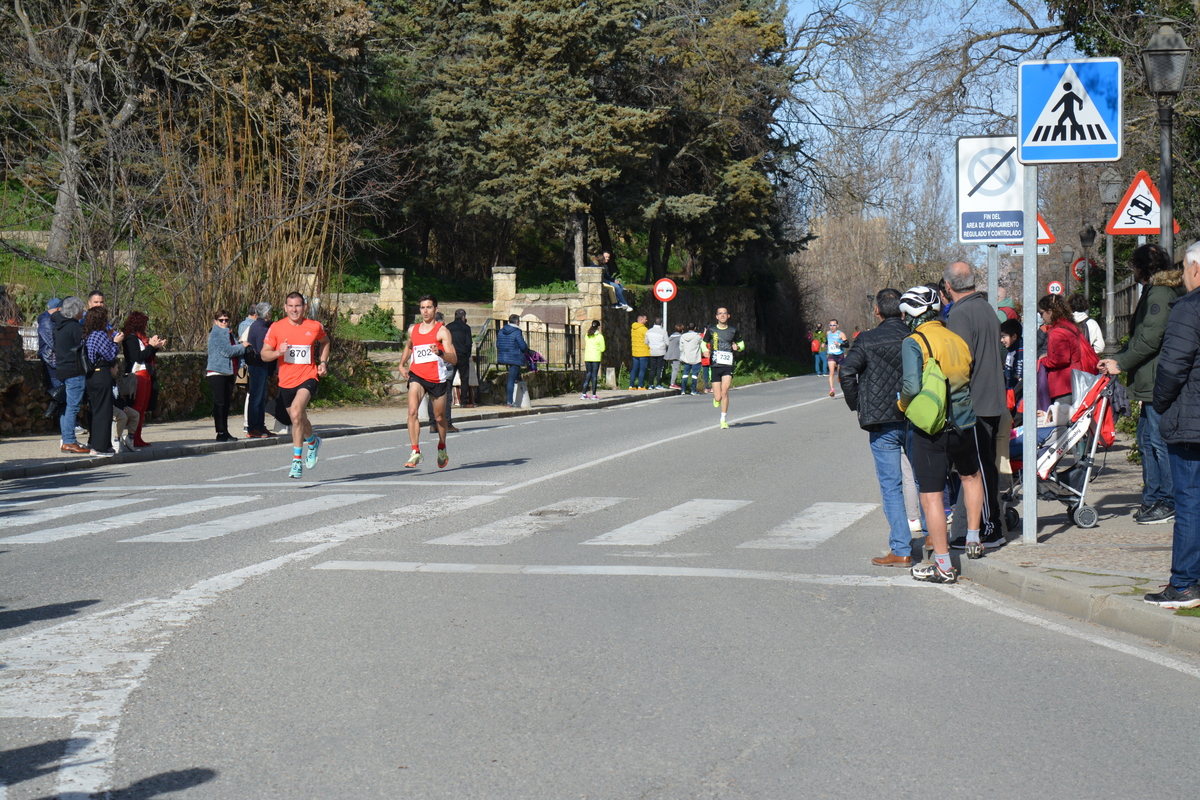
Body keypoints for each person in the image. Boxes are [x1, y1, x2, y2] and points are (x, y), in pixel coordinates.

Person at [897, 286, 984, 582]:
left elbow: (910, 386)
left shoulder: (914, 341)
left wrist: (903, 405)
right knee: (970, 476)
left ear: (911, 313)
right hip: (964, 421)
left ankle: (944, 565)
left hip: (932, 426)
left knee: (931, 496)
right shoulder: (956, 338)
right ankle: (973, 538)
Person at [1099, 243, 1184, 525]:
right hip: (1151, 379)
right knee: (1148, 438)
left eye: (1134, 267)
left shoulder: (1159, 293)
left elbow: (1150, 337)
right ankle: (1154, 497)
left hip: (1157, 379)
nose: (1132, 272)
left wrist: (1120, 362)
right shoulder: (1157, 290)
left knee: (1158, 442)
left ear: (1142, 268)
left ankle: (1166, 501)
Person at [840, 288, 915, 567]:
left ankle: (901, 548)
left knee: (891, 485)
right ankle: (932, 538)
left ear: (877, 311)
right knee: (922, 479)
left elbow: (846, 371)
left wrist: (858, 403)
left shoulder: (867, 339)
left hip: (881, 421)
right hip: (916, 417)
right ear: (904, 310)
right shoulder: (914, 337)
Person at [1146, 241, 1200, 608]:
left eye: (1184, 268)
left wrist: (1162, 403)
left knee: (1190, 501)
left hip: (1193, 422)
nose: (1182, 275)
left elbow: (1172, 366)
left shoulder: (1188, 308)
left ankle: (1184, 583)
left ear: (1195, 269)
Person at [943, 260, 1007, 552]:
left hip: (975, 403)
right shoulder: (986, 308)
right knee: (986, 467)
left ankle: (989, 529)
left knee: (977, 471)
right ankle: (986, 526)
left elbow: (959, 364)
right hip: (992, 399)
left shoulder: (960, 314)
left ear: (948, 286)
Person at [260, 292, 330, 479]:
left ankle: (296, 461)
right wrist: (278, 352)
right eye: (290, 306)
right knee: (298, 418)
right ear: (285, 307)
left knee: (297, 413)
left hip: (308, 377)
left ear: (304, 307)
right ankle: (313, 442)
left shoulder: (314, 326)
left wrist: (323, 363)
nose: (294, 310)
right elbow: (264, 354)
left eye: (298, 306)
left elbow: (325, 342)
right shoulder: (276, 327)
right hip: (286, 382)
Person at [398, 295, 457, 468]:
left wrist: (440, 353)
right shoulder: (413, 330)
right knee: (412, 411)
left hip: (437, 378)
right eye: (422, 307)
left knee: (439, 417)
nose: (425, 311)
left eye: (429, 307)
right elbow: (409, 346)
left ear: (435, 310)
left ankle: (441, 445)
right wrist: (401, 365)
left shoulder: (442, 331)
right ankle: (415, 451)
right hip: (417, 375)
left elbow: (453, 358)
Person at [82, 306, 123, 456]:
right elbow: (109, 354)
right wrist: (115, 342)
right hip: (101, 373)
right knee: (104, 411)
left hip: (91, 376)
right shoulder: (99, 335)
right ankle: (101, 447)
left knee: (95, 410)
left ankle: (97, 443)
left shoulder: (89, 335)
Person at [121, 311, 164, 447]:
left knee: (143, 407)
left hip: (146, 374)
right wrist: (151, 346)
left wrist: (154, 347)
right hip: (137, 375)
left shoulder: (140, 338)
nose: (145, 326)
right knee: (137, 407)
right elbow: (137, 357)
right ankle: (132, 436)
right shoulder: (131, 339)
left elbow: (146, 355)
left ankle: (137, 437)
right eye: (144, 323)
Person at [53, 297, 89, 454]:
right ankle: (69, 441)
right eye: (81, 309)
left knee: (66, 406)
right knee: (73, 407)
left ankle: (66, 439)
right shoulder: (74, 327)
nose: (83, 312)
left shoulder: (59, 326)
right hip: (74, 370)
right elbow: (84, 348)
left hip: (61, 368)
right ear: (76, 311)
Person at [1037, 294, 1088, 405]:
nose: (1041, 317)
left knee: (1061, 419)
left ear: (1050, 311)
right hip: (1074, 379)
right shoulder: (1069, 326)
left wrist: (1044, 359)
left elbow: (1061, 359)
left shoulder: (1058, 332)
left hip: (1063, 385)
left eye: (1042, 313)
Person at [206, 309, 246, 443]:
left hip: (229, 371)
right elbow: (227, 351)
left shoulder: (229, 333)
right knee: (220, 403)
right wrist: (243, 346)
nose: (224, 322)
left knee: (226, 403)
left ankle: (225, 431)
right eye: (221, 320)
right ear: (215, 321)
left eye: (226, 320)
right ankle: (220, 432)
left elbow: (234, 350)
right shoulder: (216, 334)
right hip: (217, 371)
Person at [703, 307, 744, 429]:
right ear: (716, 317)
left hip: (728, 364)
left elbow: (741, 344)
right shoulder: (711, 330)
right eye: (720, 314)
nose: (722, 316)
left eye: (724, 313)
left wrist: (739, 348)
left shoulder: (733, 330)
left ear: (728, 316)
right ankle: (717, 399)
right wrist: (705, 350)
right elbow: (703, 343)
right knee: (718, 396)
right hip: (715, 365)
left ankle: (723, 419)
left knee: (725, 391)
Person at [242, 302, 274, 438]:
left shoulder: (262, 326)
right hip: (257, 366)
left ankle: (260, 426)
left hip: (261, 367)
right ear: (267, 314)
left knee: (261, 398)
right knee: (256, 398)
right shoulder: (260, 328)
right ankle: (253, 427)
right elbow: (263, 351)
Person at [496, 314, 529, 406]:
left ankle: (518, 378)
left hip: (503, 356)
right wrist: (527, 351)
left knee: (514, 376)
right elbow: (522, 345)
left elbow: (498, 344)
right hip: (514, 357)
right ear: (517, 322)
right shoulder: (517, 331)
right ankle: (509, 401)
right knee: (511, 380)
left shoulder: (501, 331)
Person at [447, 308, 474, 409]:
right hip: (462, 355)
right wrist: (468, 354)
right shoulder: (466, 328)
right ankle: (464, 401)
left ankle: (447, 400)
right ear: (463, 317)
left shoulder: (448, 327)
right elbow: (468, 343)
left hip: (451, 354)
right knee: (464, 378)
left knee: (449, 378)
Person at [109, 364, 139, 453]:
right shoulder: (106, 381)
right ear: (111, 368)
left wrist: (124, 406)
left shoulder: (113, 380)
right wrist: (121, 408)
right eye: (116, 367)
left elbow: (117, 396)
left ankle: (129, 437)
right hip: (111, 406)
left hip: (118, 405)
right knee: (122, 417)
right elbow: (110, 398)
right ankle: (116, 439)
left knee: (135, 415)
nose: (118, 370)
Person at [37, 298, 61, 391]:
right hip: (51, 359)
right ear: (58, 309)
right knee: (57, 389)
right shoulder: (47, 321)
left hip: (52, 359)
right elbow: (53, 343)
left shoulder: (48, 320)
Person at [1000, 318, 1024, 413]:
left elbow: (1020, 378)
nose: (1001, 340)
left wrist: (1013, 394)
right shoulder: (1011, 350)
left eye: (1004, 337)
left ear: (1014, 337)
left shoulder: (1020, 353)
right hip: (1011, 394)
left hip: (1016, 397)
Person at [582, 320, 605, 399]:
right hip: (595, 357)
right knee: (594, 375)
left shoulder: (587, 335)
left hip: (587, 357)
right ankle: (594, 394)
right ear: (598, 327)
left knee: (588, 374)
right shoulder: (599, 336)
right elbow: (602, 349)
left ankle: (584, 393)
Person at [825, 319, 848, 397]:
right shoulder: (828, 333)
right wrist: (824, 344)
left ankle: (840, 378)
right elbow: (828, 341)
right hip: (831, 355)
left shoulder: (841, 334)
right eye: (830, 325)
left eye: (834, 325)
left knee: (840, 373)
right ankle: (832, 390)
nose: (832, 327)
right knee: (831, 372)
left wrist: (839, 344)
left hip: (839, 355)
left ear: (837, 326)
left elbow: (847, 344)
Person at [679, 322, 703, 395]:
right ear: (695, 328)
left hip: (686, 358)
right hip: (696, 358)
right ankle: (693, 390)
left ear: (687, 327)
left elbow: (681, 348)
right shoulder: (698, 336)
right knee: (694, 375)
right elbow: (702, 346)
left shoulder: (683, 336)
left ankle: (683, 390)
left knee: (685, 374)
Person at [645, 317, 668, 389]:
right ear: (661, 324)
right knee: (659, 368)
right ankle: (659, 384)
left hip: (652, 351)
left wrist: (651, 345)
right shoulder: (663, 332)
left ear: (654, 323)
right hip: (661, 352)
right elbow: (667, 343)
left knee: (652, 368)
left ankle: (651, 384)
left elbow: (646, 342)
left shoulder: (649, 331)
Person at [629, 314, 649, 389]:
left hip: (635, 352)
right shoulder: (644, 329)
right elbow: (648, 340)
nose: (646, 320)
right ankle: (641, 385)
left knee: (634, 369)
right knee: (642, 370)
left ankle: (631, 385)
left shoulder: (633, 328)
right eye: (645, 319)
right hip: (643, 352)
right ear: (641, 320)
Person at [665, 324, 683, 389]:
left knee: (673, 369)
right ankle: (672, 383)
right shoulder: (680, 337)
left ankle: (673, 382)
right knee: (675, 369)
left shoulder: (671, 336)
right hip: (676, 355)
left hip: (669, 354)